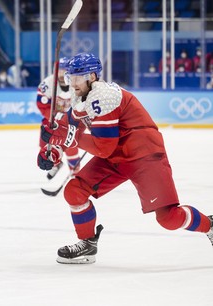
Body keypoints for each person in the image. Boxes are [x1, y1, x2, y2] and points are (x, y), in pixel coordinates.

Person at [37, 52, 213, 264]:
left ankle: (210, 225)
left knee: (168, 218)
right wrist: (53, 151)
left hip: (144, 156)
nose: (72, 82)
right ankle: (87, 244)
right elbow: (69, 130)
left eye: (77, 77)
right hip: (117, 156)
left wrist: (69, 137)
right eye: (70, 77)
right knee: (75, 191)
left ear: (92, 77)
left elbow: (103, 148)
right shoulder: (81, 97)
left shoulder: (105, 96)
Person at [37, 56, 81, 180]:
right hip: (51, 121)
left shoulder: (77, 82)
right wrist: (53, 117)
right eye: (59, 69)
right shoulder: (47, 83)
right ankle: (56, 163)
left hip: (70, 121)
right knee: (44, 146)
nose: (61, 73)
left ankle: (75, 171)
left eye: (64, 70)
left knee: (71, 146)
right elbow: (42, 104)